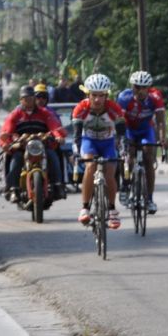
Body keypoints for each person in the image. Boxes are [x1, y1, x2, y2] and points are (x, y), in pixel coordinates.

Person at [72, 74, 126, 229]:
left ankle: (111, 209)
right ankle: (85, 208)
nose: (97, 100)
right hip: (89, 142)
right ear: (87, 94)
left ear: (106, 96)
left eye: (101, 96)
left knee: (110, 173)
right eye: (93, 95)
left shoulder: (113, 108)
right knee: (90, 167)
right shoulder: (81, 108)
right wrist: (76, 152)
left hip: (108, 143)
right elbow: (77, 137)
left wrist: (123, 150)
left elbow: (122, 134)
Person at [0, 84, 66, 202]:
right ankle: (12, 188)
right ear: (21, 100)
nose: (29, 101)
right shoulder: (15, 114)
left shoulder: (45, 113)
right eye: (26, 99)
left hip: (42, 145)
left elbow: (55, 127)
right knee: (15, 158)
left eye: (31, 98)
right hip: (22, 147)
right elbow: (6, 130)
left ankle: (57, 185)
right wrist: (5, 142)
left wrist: (58, 136)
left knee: (53, 155)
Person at [117, 71, 166, 214]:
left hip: (146, 130)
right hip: (129, 130)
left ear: (149, 87)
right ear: (132, 87)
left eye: (144, 87)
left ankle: (149, 199)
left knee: (148, 159)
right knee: (127, 156)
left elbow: (161, 121)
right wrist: (120, 139)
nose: (141, 91)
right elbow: (118, 121)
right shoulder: (124, 97)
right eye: (137, 87)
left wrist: (162, 139)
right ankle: (125, 185)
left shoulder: (155, 97)